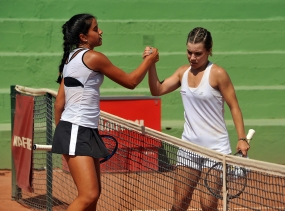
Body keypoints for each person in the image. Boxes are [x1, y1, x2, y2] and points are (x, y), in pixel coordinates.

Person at [51, 13, 159, 211]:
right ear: (83, 37)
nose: (100, 32)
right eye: (95, 28)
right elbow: (131, 81)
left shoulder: (70, 59)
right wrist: (150, 60)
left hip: (80, 130)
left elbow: (59, 103)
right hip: (76, 129)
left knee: (93, 198)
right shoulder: (92, 57)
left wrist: (62, 133)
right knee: (88, 195)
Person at [144, 27, 249, 210]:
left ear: (209, 50)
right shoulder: (182, 72)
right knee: (179, 202)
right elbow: (157, 90)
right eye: (189, 52)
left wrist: (241, 138)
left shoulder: (218, 74)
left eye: (198, 53)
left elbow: (234, 107)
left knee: (208, 205)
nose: (192, 57)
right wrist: (151, 63)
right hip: (189, 147)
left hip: (215, 150)